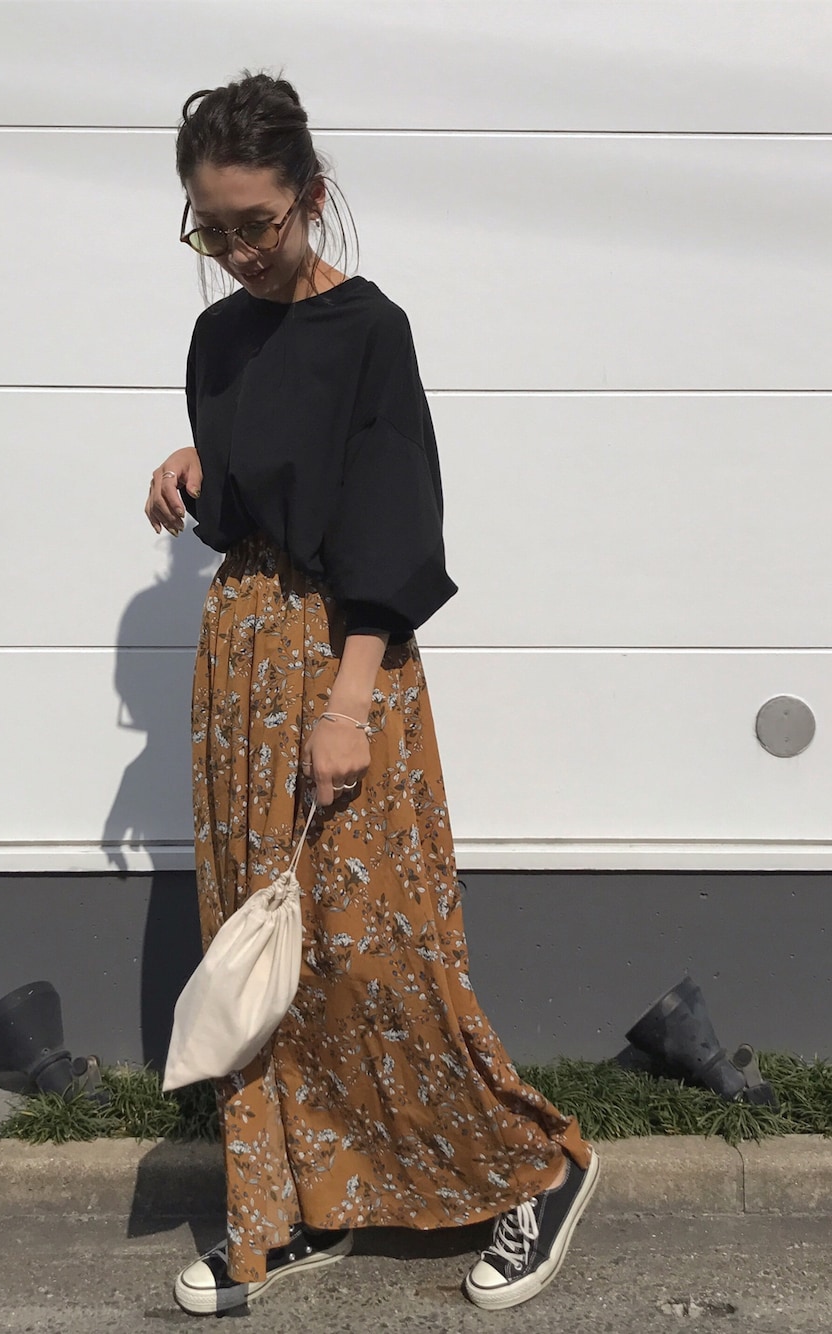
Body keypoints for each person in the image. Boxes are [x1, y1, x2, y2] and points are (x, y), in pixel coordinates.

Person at [145, 71, 599, 1318]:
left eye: (257, 223)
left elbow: (391, 522)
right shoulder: (218, 337)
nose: (239, 252)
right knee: (265, 949)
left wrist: (347, 706)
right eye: (212, 231)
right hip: (238, 658)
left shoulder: (369, 329)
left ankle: (540, 1164)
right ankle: (293, 1205)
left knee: (374, 945)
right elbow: (253, 494)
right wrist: (193, 463)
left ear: (312, 194)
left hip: (340, 657)